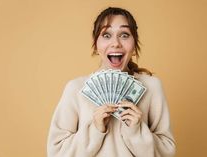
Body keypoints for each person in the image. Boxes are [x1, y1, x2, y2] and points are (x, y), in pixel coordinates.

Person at [47, 7, 176, 157]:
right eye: (107, 35)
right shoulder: (76, 89)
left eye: (124, 35)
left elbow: (167, 153)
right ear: (96, 45)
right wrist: (95, 129)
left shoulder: (152, 87)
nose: (115, 43)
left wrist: (136, 131)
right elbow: (56, 153)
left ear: (134, 45)